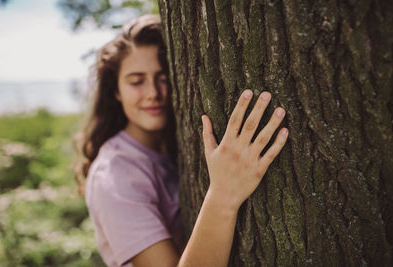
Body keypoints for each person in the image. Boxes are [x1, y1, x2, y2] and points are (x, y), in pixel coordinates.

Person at [75, 14, 289, 267]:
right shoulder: (115, 175)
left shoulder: (168, 149)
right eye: (136, 81)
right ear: (116, 91)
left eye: (164, 78)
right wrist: (222, 196)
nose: (153, 93)